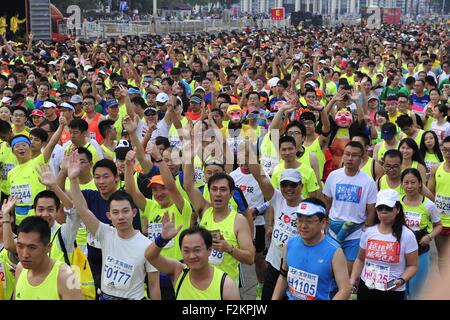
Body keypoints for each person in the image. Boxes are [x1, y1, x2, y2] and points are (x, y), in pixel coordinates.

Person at [68, 150, 160, 300]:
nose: (121, 216)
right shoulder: (105, 234)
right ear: (109, 216)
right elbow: (83, 210)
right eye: (115, 212)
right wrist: (72, 179)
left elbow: (154, 285)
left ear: (134, 212)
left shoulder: (148, 246)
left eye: (125, 211)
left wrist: (129, 166)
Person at [125, 148, 192, 300]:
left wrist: (160, 160)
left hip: (177, 267)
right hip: (154, 267)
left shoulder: (181, 206)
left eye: (162, 188)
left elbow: (172, 186)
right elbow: (131, 191)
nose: (159, 193)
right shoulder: (150, 206)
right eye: (155, 190)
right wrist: (128, 165)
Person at [272, 198, 351, 300]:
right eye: (300, 220)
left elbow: (345, 289)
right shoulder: (289, 244)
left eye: (309, 221)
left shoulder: (335, 251)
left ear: (323, 223)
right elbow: (283, 276)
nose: (303, 226)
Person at [145, 217, 240, 300]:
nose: (191, 256)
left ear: (209, 250)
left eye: (197, 250)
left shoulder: (226, 285)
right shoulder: (178, 271)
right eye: (186, 250)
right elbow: (150, 256)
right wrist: (162, 239)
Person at [350, 189, 418, 300]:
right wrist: (353, 279)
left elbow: (413, 265)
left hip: (392, 290)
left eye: (388, 208)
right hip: (366, 287)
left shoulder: (407, 235)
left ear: (398, 209)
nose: (383, 212)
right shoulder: (368, 232)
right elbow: (360, 259)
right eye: (380, 208)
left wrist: (401, 281)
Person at [323, 141, 378, 273]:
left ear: (362, 157)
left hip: (355, 232)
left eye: (354, 155)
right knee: (328, 268)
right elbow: (327, 202)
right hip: (333, 229)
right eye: (347, 154)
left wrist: (367, 231)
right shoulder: (333, 176)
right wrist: (325, 223)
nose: (350, 158)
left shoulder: (368, 182)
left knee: (348, 273)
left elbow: (371, 211)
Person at [13, 216, 82, 300]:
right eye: (20, 246)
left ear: (48, 247)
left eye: (32, 247)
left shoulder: (66, 277)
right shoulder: (20, 268)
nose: (24, 254)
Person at [400, 168, 442, 299]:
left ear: (420, 183)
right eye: (406, 183)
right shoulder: (397, 202)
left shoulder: (429, 205)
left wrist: (429, 236)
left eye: (413, 182)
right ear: (402, 184)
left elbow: (438, 225)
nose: (409, 186)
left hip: (420, 253)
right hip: (399, 253)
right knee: (400, 290)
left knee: (415, 292)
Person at [428, 136, 450, 276]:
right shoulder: (436, 168)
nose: (448, 153)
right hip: (440, 222)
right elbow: (430, 193)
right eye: (445, 150)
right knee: (442, 258)